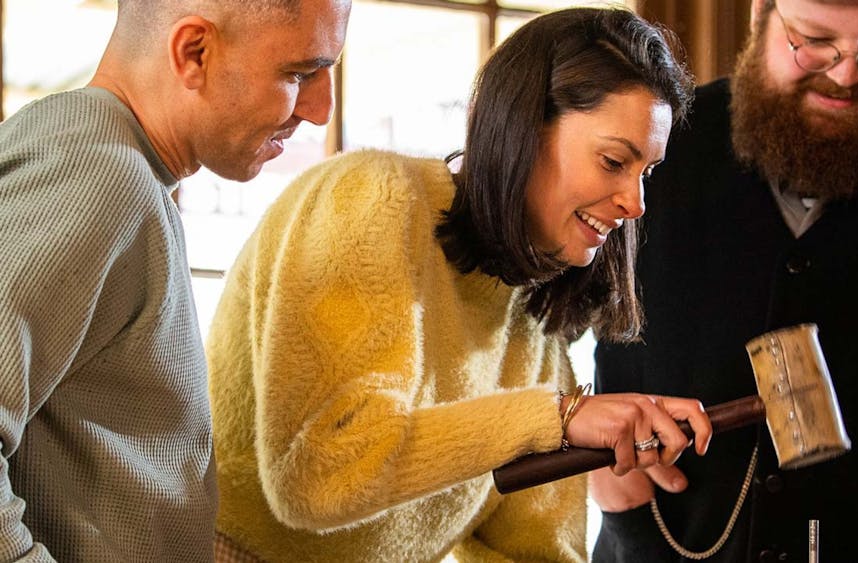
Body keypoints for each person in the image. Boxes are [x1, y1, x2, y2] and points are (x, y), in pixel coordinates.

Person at [205, 7, 712, 562]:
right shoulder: (372, 200)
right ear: (521, 128)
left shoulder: (537, 331)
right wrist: (557, 419)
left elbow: (534, 552)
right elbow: (318, 479)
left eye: (647, 173)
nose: (636, 204)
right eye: (614, 161)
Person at [592, 0, 858, 561]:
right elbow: (526, 317)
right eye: (814, 40)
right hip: (660, 541)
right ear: (762, 13)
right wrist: (598, 472)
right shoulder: (654, 137)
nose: (844, 73)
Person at [0, 0, 350, 560]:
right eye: (298, 74)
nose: (320, 109)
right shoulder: (98, 175)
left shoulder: (108, 161)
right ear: (195, 52)